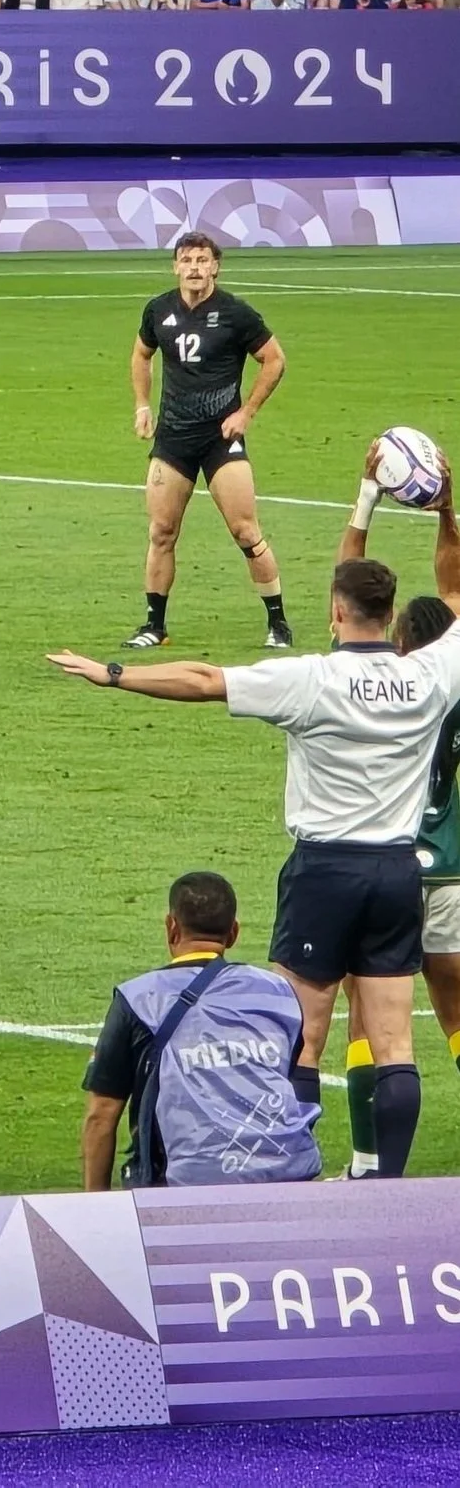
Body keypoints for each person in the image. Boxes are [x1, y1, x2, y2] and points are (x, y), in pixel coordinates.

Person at [49, 540, 460, 1179]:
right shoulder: (432, 674)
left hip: (324, 871)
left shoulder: (312, 680)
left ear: (335, 611)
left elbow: (204, 680)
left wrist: (114, 673)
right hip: (397, 872)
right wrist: (440, 511)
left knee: (301, 1036)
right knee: (396, 1044)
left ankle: (292, 1169)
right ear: (389, 614)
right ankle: (389, 1186)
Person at [334, 447, 460, 1175]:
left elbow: (346, 581)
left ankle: (363, 1163)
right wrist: (445, 508)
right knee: (452, 1013)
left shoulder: (364, 676)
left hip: (376, 866)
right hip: (448, 866)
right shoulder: (450, 679)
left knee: (367, 1014)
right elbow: (453, 585)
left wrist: (365, 494)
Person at [81, 872, 321, 1188]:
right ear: (233, 933)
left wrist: (92, 1211)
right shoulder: (278, 991)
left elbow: (100, 1117)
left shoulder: (139, 998)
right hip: (288, 1172)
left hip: (186, 1183)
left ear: (171, 927)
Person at [126, 232, 290, 649]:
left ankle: (278, 623)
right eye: (187, 260)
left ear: (216, 266)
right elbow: (141, 354)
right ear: (175, 267)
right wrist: (142, 405)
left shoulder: (235, 313)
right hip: (173, 439)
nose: (195, 267)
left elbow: (274, 359)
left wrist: (246, 412)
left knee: (245, 531)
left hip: (220, 438)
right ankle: (154, 626)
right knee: (162, 531)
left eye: (202, 260)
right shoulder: (158, 310)